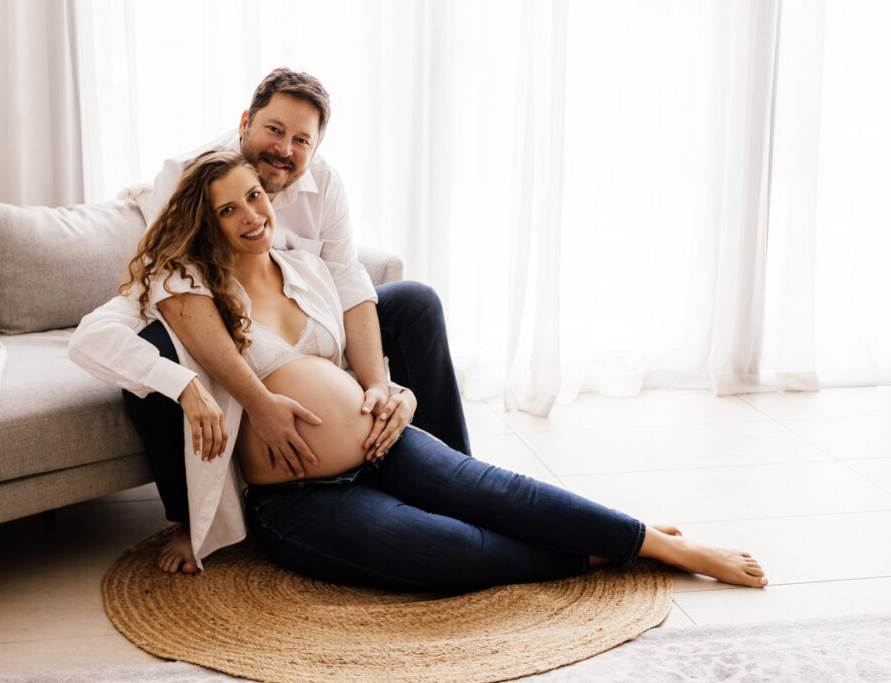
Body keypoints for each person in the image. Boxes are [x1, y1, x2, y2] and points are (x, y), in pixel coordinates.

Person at [115, 147, 768, 592]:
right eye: (229, 209)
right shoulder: (189, 288)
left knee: (501, 491)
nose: (251, 215)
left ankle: (662, 541)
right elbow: (101, 338)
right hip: (298, 500)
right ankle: (601, 551)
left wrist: (385, 389)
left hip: (382, 445)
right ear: (208, 223)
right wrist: (192, 389)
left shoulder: (305, 269)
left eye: (254, 196)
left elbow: (352, 341)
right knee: (458, 551)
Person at [69, 68, 469, 574]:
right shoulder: (187, 174)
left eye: (302, 140)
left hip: (302, 312)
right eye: (274, 130)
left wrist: (377, 384)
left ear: (317, 146)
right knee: (158, 365)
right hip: (217, 323)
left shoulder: (325, 184)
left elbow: (348, 278)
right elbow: (175, 285)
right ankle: (190, 520)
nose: (284, 149)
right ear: (245, 122)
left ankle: (450, 470)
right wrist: (252, 400)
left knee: (415, 303)